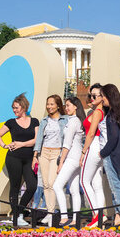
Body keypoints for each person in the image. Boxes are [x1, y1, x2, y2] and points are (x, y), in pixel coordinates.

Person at [0, 93, 39, 226]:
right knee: (15, 187)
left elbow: (37, 140)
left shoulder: (35, 121)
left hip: (29, 158)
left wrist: (21, 144)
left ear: (24, 107)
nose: (14, 110)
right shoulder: (11, 122)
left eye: (16, 107)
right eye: (13, 108)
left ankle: (19, 212)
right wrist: (4, 145)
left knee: (32, 186)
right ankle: (16, 216)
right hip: (13, 158)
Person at [99, 84, 120, 226]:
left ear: (109, 96)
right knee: (116, 185)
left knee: (115, 186)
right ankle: (119, 215)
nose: (102, 99)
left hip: (111, 155)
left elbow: (113, 138)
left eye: (103, 96)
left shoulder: (111, 115)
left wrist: (103, 152)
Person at [32, 95, 68, 224]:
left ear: (58, 105)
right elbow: (39, 139)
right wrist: (35, 156)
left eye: (52, 104)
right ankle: (50, 211)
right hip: (44, 153)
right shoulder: (44, 121)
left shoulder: (65, 120)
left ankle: (52, 212)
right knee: (45, 184)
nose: (49, 107)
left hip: (56, 153)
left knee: (52, 183)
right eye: (48, 104)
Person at [53, 97, 86, 227]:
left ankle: (64, 217)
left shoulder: (73, 121)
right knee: (73, 189)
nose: (66, 108)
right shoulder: (74, 120)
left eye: (68, 105)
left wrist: (61, 162)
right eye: (65, 106)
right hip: (76, 157)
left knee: (57, 186)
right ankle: (75, 219)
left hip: (72, 157)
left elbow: (67, 144)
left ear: (75, 106)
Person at [79, 83, 107, 228]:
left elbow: (91, 133)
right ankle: (99, 216)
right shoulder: (100, 111)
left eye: (95, 95)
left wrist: (83, 152)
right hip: (99, 147)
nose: (91, 98)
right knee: (96, 184)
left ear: (102, 98)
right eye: (91, 95)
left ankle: (97, 215)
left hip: (93, 145)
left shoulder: (97, 113)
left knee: (84, 182)